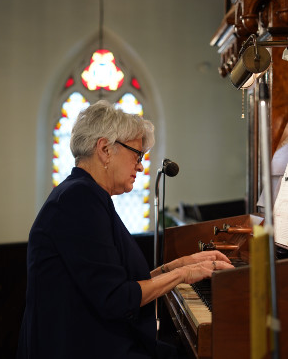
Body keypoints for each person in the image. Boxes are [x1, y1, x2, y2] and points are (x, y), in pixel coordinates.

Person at [17, 100, 234, 359]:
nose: (141, 166)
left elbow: (115, 283)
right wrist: (185, 273)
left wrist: (179, 265)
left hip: (94, 339)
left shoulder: (87, 195)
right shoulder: (78, 201)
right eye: (137, 154)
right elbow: (116, 298)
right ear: (105, 149)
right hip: (79, 346)